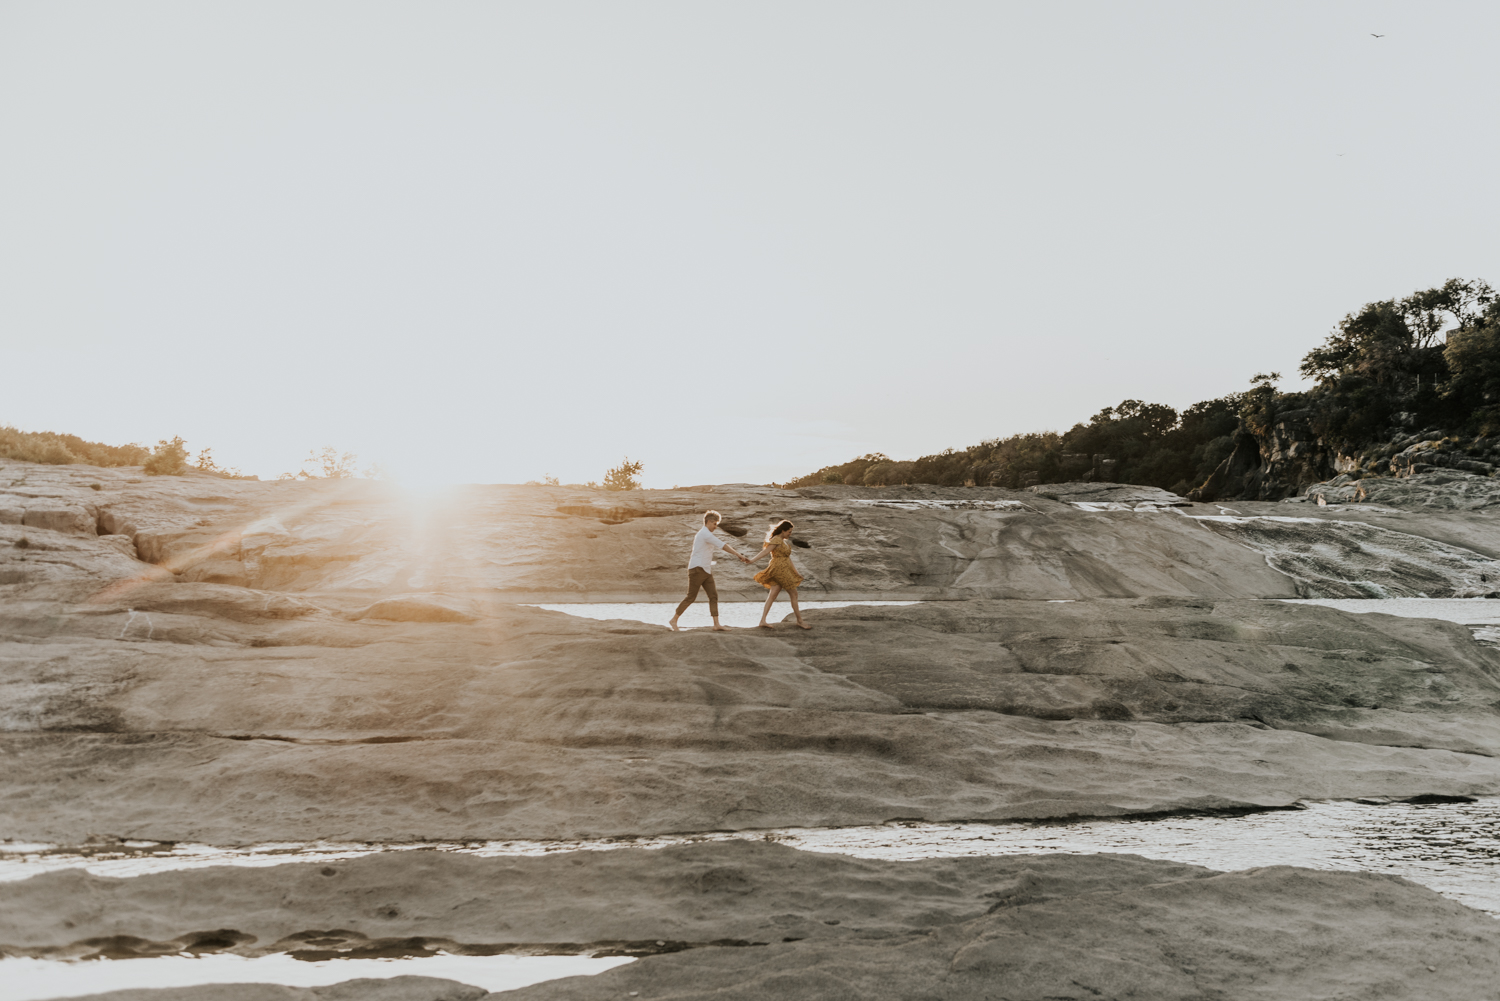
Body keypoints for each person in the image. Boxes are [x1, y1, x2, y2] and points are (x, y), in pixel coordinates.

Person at [669, 510, 750, 632]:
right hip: (697, 569)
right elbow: (722, 545)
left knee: (713, 596)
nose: (716, 527)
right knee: (691, 597)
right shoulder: (704, 534)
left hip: (706, 570)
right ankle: (674, 619)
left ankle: (716, 624)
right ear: (709, 522)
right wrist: (739, 555)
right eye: (715, 524)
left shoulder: (705, 534)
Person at [746, 519, 810, 629]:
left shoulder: (782, 541)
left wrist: (796, 572)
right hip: (780, 569)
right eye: (789, 532)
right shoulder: (776, 539)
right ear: (783, 531)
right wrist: (752, 560)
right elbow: (765, 552)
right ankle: (799, 620)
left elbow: (788, 558)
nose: (790, 534)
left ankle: (762, 621)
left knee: (772, 595)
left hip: (782, 568)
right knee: (794, 594)